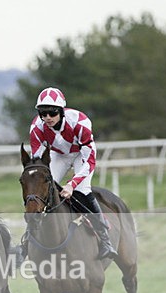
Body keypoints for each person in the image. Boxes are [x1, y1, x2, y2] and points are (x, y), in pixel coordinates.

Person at [28, 87, 117, 260]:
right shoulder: (36, 128)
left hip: (81, 155)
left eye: (52, 113)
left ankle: (105, 238)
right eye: (42, 113)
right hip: (58, 155)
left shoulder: (80, 122)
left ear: (61, 111)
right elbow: (38, 161)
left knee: (82, 191)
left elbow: (89, 162)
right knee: (40, 190)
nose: (47, 118)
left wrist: (71, 184)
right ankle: (28, 241)